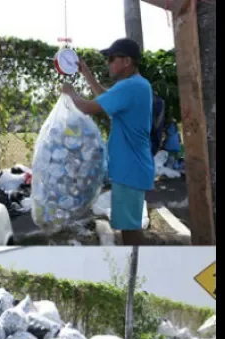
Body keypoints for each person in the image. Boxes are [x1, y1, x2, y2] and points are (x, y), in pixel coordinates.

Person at [60, 38, 154, 246]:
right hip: (132, 167)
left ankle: (139, 267)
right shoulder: (136, 85)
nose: (108, 63)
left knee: (130, 229)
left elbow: (88, 107)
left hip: (130, 169)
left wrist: (69, 93)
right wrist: (86, 74)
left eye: (112, 59)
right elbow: (105, 97)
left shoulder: (130, 87)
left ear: (127, 61)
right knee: (129, 224)